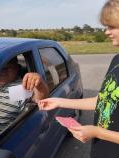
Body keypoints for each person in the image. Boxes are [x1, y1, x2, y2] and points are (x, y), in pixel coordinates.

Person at [38, 1, 119, 158]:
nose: (106, 32)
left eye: (112, 26)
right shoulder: (117, 60)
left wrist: (97, 132)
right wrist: (60, 102)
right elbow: (104, 100)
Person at [0, 57, 49, 147]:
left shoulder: (19, 88)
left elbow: (41, 98)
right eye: (0, 68)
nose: (2, 72)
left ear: (16, 68)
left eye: (7, 68)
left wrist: (39, 81)